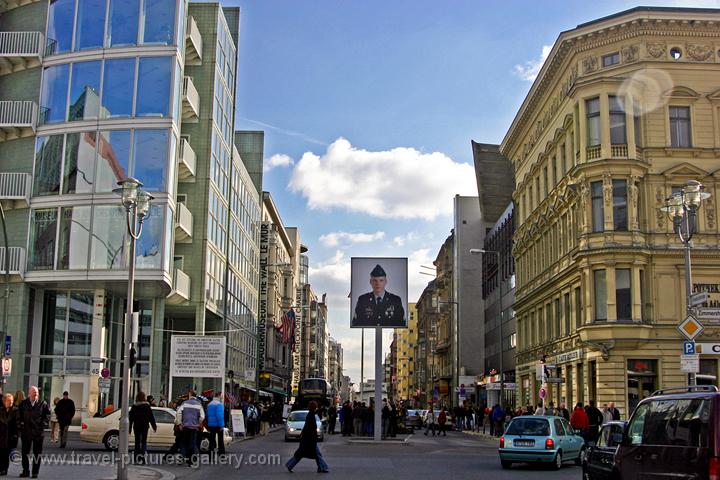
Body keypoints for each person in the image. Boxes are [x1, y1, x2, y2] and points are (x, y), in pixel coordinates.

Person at [286, 401, 329, 473]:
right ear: (314, 407)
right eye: (316, 407)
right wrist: (313, 438)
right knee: (314, 454)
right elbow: (310, 429)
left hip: (307, 439)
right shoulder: (311, 416)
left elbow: (306, 427)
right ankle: (322, 467)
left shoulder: (310, 415)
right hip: (310, 440)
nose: (316, 408)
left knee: (302, 454)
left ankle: (321, 467)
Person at [18, 386, 50, 478]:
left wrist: (43, 425)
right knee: (25, 453)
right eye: (34, 392)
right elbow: (18, 417)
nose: (36, 394)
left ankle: (35, 472)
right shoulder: (23, 404)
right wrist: (21, 427)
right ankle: (25, 471)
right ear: (29, 393)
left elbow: (47, 416)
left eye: (37, 392)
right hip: (26, 432)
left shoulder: (43, 404)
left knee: (37, 454)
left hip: (38, 433)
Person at [175, 390, 205, 466]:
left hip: (185, 426)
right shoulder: (199, 404)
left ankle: (183, 458)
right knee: (192, 443)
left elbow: (178, 413)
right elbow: (202, 416)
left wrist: (180, 424)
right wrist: (198, 423)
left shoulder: (184, 403)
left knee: (184, 442)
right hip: (194, 427)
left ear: (190, 395)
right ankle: (190, 461)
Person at [129, 391, 157, 463]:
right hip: (145, 426)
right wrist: (154, 426)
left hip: (137, 426)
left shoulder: (134, 406)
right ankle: (142, 457)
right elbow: (151, 417)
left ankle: (136, 457)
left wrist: (129, 428)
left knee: (137, 441)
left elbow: (131, 418)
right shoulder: (147, 406)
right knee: (144, 442)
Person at [0, 393, 18, 476]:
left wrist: (16, 434)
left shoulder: (15, 411)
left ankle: (4, 469)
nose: (10, 402)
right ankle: (1, 468)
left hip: (11, 436)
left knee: (6, 453)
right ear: (4, 401)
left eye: (12, 401)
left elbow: (18, 424)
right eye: (9, 401)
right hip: (1, 435)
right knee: (1, 453)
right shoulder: (0, 410)